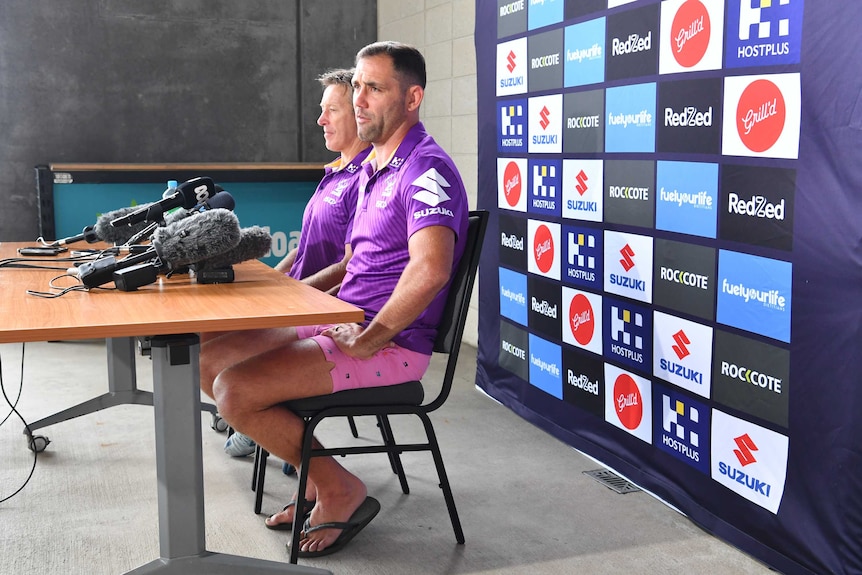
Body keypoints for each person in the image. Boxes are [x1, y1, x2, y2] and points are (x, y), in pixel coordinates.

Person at [199, 41, 468, 557]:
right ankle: (321, 484)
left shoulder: (426, 170)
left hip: (389, 346)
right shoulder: (372, 170)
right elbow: (352, 261)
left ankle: (339, 488)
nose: (360, 99)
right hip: (342, 326)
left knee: (234, 391)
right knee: (207, 359)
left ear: (413, 98)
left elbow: (431, 268)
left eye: (375, 88)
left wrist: (370, 338)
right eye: (358, 86)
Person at [223, 68, 371, 458]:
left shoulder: (367, 179)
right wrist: (272, 282)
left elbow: (350, 263)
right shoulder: (334, 174)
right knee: (208, 337)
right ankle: (260, 424)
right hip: (300, 302)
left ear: (360, 113)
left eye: (331, 111)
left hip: (318, 311)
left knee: (215, 350)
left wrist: (292, 296)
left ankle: (266, 426)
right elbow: (303, 248)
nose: (320, 120)